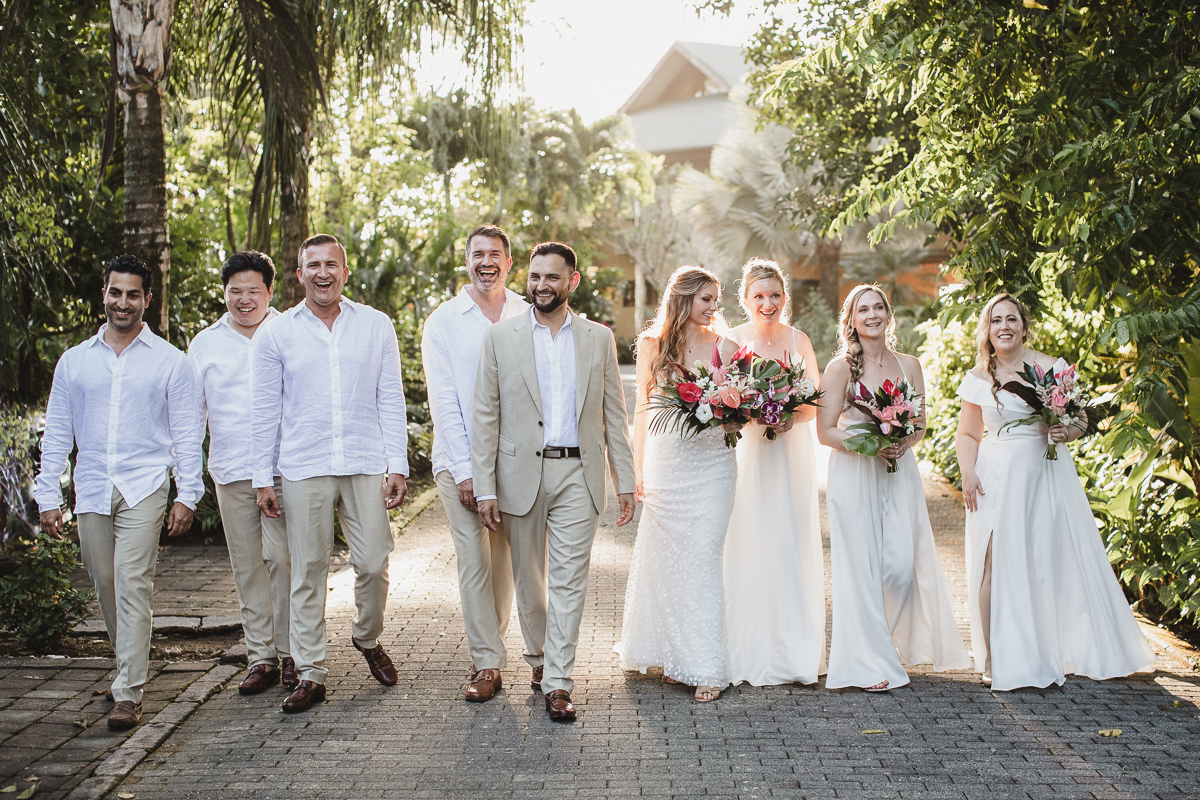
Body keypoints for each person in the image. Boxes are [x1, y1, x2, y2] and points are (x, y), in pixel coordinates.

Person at [35, 254, 204, 730]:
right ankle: (131, 656)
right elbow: (57, 434)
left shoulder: (171, 362)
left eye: (133, 294)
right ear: (103, 295)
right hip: (91, 484)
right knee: (104, 581)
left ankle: (128, 690)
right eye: (115, 292)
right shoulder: (74, 362)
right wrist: (49, 494)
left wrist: (187, 494)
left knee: (132, 580)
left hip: (145, 483)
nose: (123, 302)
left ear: (147, 300)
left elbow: (188, 435)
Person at [955, 293, 1154, 690]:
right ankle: (993, 657)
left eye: (1012, 319)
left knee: (1045, 559)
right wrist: (968, 473)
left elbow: (1079, 419)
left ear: (1024, 326)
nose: (1005, 326)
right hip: (996, 474)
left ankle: (1048, 645)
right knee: (993, 562)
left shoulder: (1051, 368)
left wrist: (1067, 431)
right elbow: (966, 433)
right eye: (996, 320)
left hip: (1045, 472)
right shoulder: (979, 377)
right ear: (988, 330)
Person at [472, 241, 636, 722]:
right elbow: (486, 416)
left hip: (577, 473)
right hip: (519, 472)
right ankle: (540, 660)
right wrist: (486, 486)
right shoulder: (501, 338)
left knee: (569, 581)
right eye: (535, 276)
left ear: (573, 281)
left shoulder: (598, 338)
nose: (542, 285)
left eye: (552, 277)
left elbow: (613, 415)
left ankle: (559, 682)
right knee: (530, 581)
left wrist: (624, 480)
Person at [251, 233, 409, 713]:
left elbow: (391, 397)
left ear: (345, 271)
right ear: (300, 274)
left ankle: (366, 637)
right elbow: (265, 410)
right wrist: (263, 476)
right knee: (308, 570)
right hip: (304, 466)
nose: (323, 272)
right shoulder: (276, 333)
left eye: (331, 264)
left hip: (363, 461)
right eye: (313, 265)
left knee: (374, 562)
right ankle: (311, 671)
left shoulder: (376, 326)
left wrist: (397, 463)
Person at [816, 284, 970, 691]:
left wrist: (905, 440)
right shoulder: (839, 369)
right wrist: (870, 445)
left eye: (878, 307)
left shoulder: (910, 365)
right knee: (861, 569)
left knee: (900, 568)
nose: (871, 315)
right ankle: (869, 661)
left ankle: (881, 642)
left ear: (889, 314)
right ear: (850, 320)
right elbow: (825, 432)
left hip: (900, 473)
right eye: (862, 309)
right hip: (854, 474)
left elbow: (919, 424)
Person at [615, 265, 742, 703]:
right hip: (668, 462)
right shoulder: (652, 344)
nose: (713, 307)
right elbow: (644, 409)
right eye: (706, 298)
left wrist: (729, 409)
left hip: (712, 462)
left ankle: (706, 665)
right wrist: (636, 470)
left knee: (703, 557)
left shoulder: (728, 346)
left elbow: (739, 409)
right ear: (683, 298)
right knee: (667, 560)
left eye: (716, 299)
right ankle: (673, 657)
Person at [421, 225, 528, 703]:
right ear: (465, 261)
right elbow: (444, 401)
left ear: (509, 262)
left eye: (495, 254)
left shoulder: (529, 313)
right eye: (477, 254)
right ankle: (486, 661)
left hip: (517, 462)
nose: (486, 261)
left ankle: (493, 647)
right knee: (474, 562)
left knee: (504, 562)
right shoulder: (444, 321)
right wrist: (467, 472)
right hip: (458, 461)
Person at [189, 251, 295, 696]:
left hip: (284, 469)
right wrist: (187, 481)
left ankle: (295, 654)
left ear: (270, 292)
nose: (244, 299)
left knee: (286, 562)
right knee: (248, 566)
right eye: (236, 291)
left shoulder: (291, 331)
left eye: (254, 291)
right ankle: (260, 658)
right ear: (225, 293)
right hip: (232, 470)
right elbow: (192, 415)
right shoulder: (204, 343)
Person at [723, 259, 825, 686]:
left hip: (789, 453)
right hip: (748, 453)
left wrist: (788, 417)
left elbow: (814, 401)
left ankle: (790, 650)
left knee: (787, 539)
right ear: (745, 300)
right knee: (745, 539)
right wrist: (750, 415)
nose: (768, 303)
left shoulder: (798, 340)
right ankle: (741, 645)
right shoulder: (730, 341)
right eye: (759, 296)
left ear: (786, 298)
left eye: (775, 295)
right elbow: (722, 403)